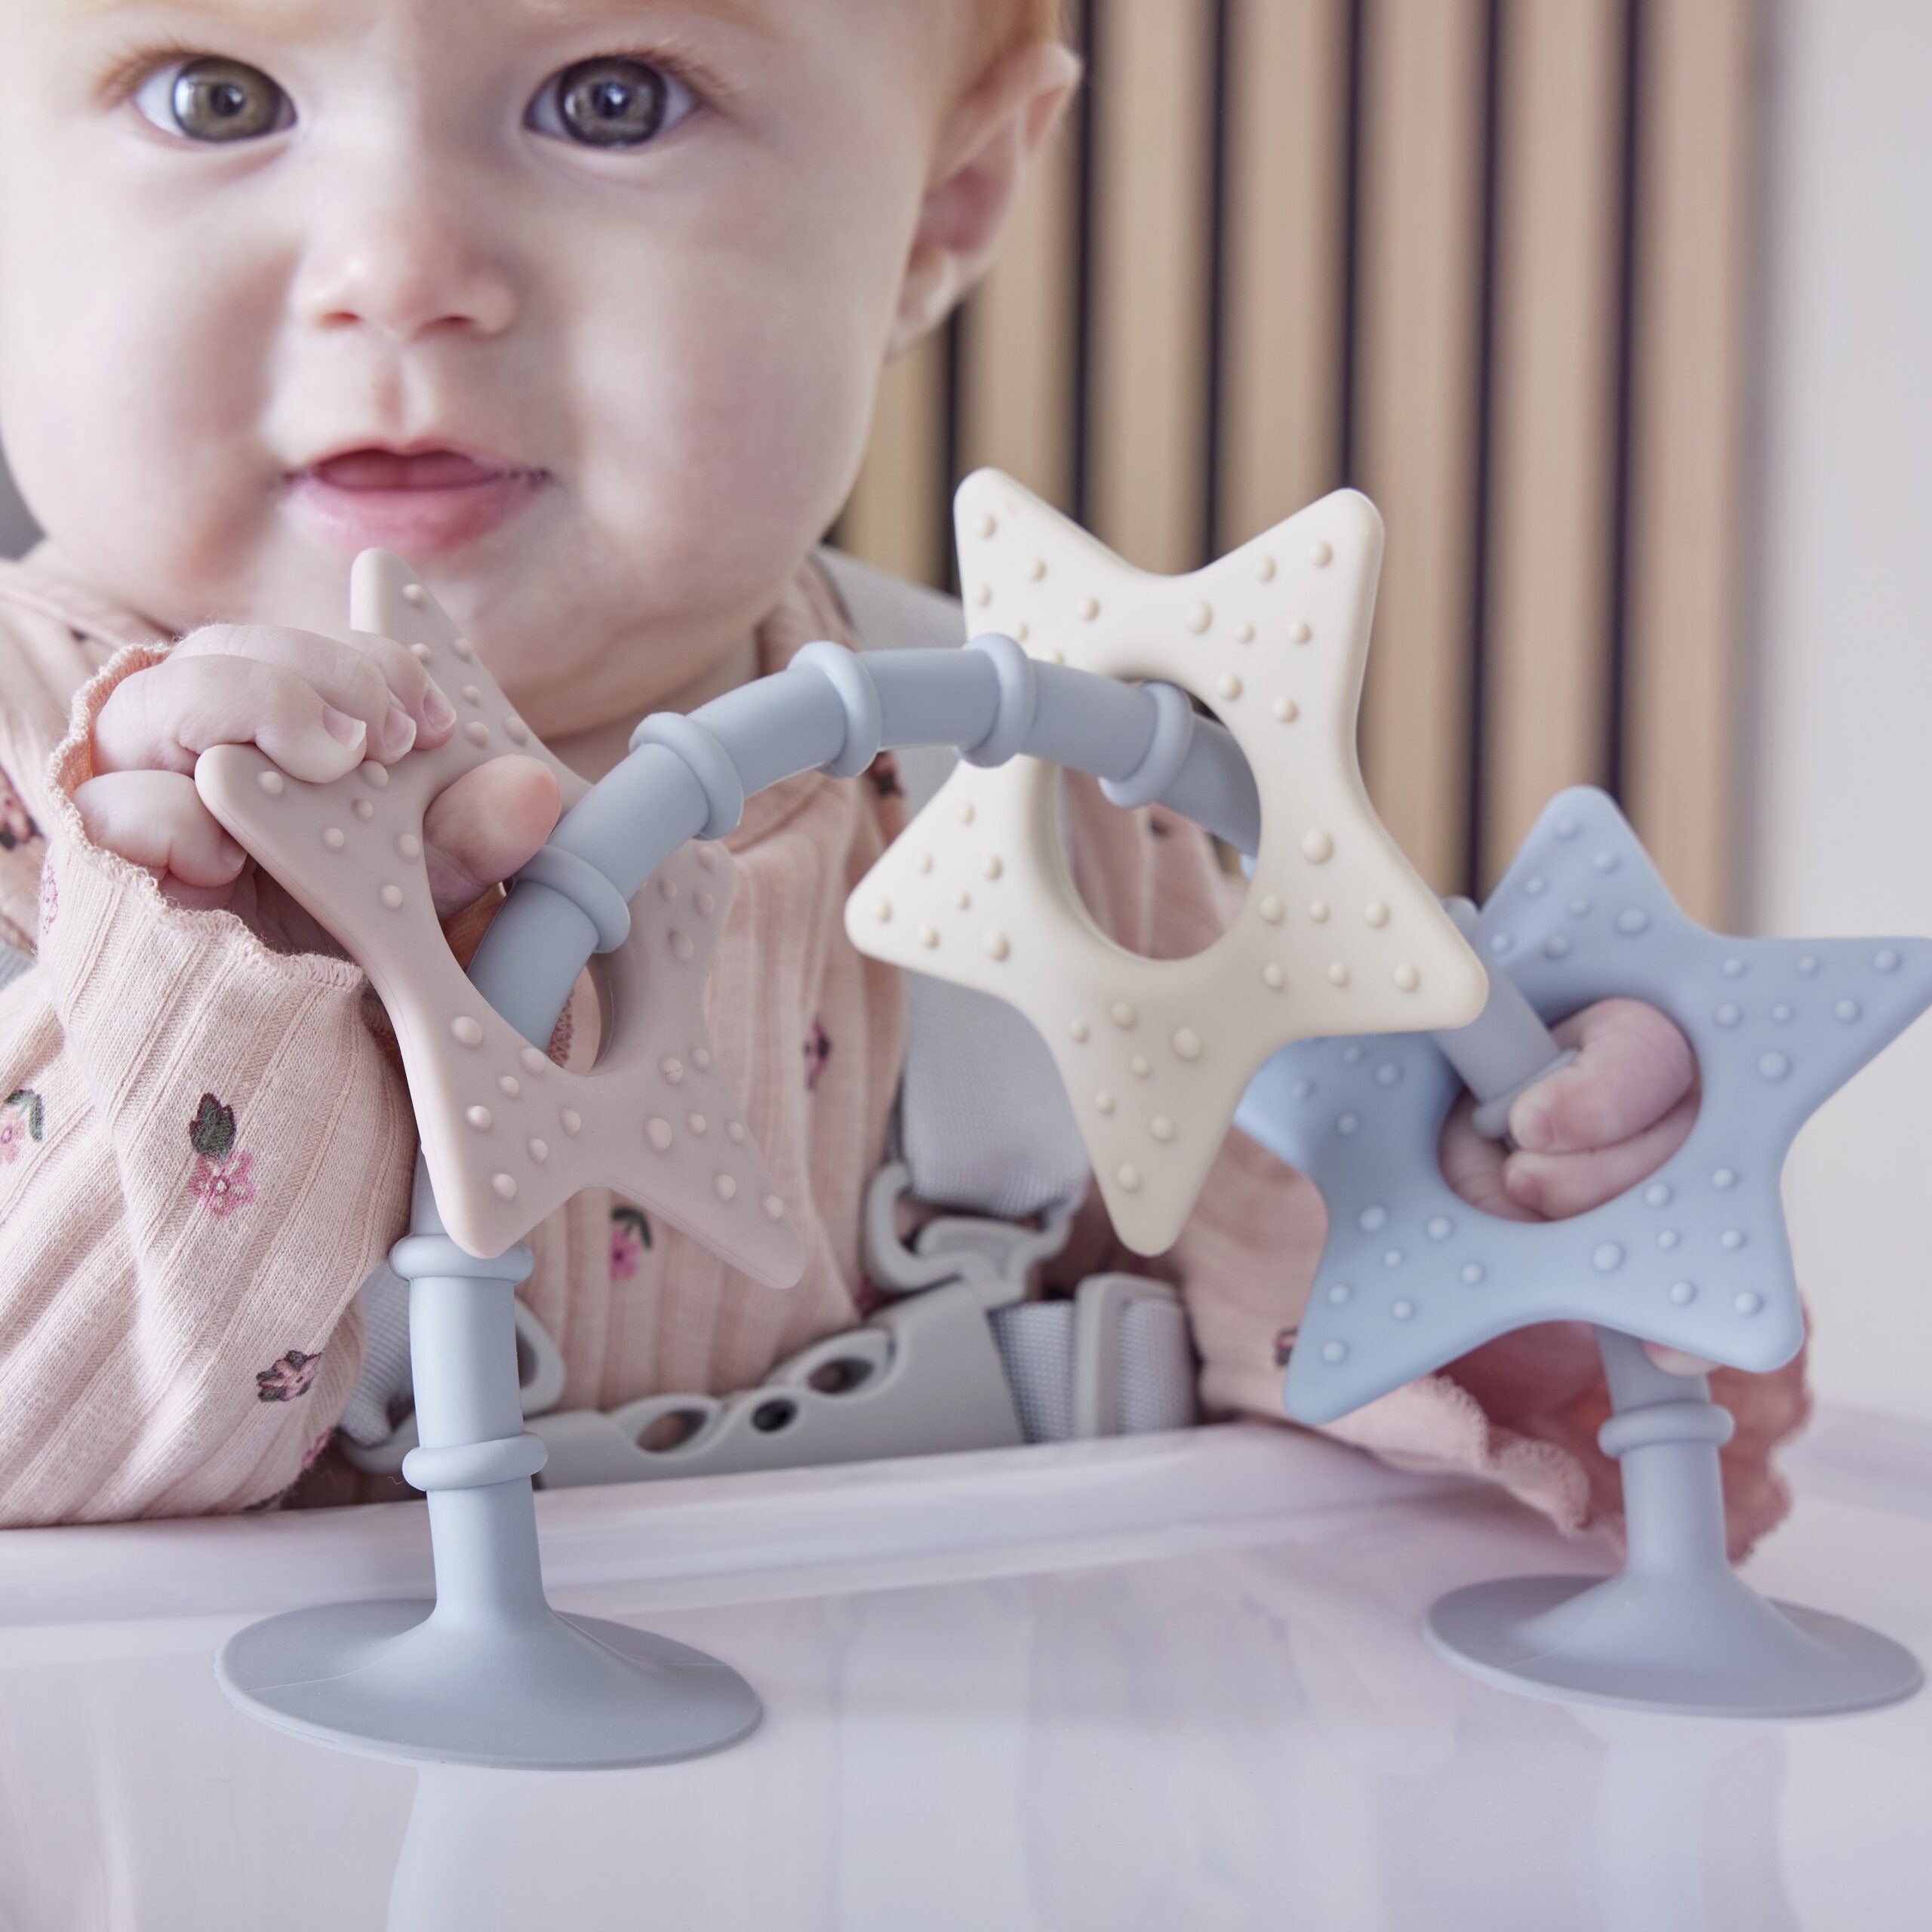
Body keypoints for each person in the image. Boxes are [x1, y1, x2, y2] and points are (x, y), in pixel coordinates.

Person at [0, 0, 1799, 1537]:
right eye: (213, 94)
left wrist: (1508, 1252)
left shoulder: (1059, 782)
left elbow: (1301, 1290)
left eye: (612, 97)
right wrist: (214, 964)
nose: (400, 269)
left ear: (946, 200)